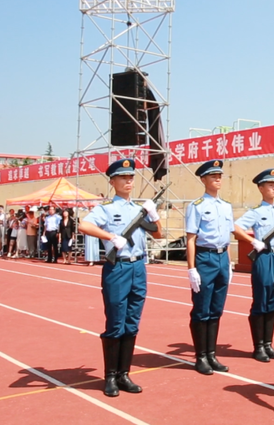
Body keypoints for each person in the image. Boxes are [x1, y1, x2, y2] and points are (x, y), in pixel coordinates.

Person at [78, 158, 162, 397]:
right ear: (113, 181)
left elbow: (158, 233)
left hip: (138, 268)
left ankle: (125, 374)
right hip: (118, 269)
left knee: (132, 322)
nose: (128, 181)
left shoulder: (139, 210)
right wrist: (111, 237)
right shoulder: (106, 208)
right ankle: (110, 377)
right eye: (123, 177)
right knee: (115, 322)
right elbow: (85, 225)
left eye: (131, 177)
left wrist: (154, 215)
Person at [233, 168, 274, 363]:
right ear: (261, 188)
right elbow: (235, 227)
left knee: (273, 303)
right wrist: (252, 241)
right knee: (261, 301)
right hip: (264, 257)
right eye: (270, 184)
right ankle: (258, 346)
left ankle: (268, 344)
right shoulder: (256, 213)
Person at [185, 160, 234, 376]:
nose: (217, 179)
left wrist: (230, 264)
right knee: (202, 310)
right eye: (213, 176)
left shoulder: (226, 206)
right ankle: (200, 356)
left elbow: (228, 238)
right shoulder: (196, 206)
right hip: (205, 258)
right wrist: (191, 268)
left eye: (219, 176)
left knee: (216, 309)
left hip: (222, 258)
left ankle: (212, 354)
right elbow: (191, 239)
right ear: (203, 179)